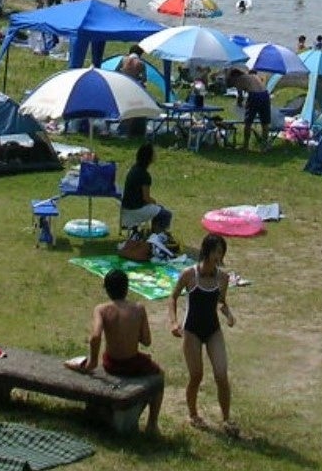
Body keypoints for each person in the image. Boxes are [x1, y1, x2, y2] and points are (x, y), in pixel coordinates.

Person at [69, 268, 163, 434]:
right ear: (127, 288)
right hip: (133, 364)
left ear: (107, 289)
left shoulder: (102, 309)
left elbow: (95, 336)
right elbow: (147, 341)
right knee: (159, 376)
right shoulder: (138, 308)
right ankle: (152, 423)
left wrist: (92, 362)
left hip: (111, 364)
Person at [169, 233, 237, 435]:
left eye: (221, 253)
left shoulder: (223, 278)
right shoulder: (189, 274)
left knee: (221, 375)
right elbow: (172, 298)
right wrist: (174, 322)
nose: (219, 256)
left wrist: (229, 315)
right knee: (196, 375)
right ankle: (193, 414)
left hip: (213, 329)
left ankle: (226, 419)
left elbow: (221, 302)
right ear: (206, 251)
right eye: (216, 252)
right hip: (192, 331)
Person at [121, 143, 171, 233]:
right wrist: (154, 202)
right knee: (166, 214)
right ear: (149, 157)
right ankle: (158, 236)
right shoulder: (144, 175)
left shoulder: (134, 168)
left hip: (128, 207)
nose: (156, 155)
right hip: (136, 209)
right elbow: (146, 198)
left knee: (159, 209)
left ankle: (154, 233)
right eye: (154, 153)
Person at [226, 67, 272, 150]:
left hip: (254, 96)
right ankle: (264, 145)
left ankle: (245, 145)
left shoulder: (239, 79)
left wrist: (239, 104)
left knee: (248, 122)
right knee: (265, 123)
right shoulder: (253, 76)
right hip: (265, 95)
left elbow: (240, 97)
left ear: (234, 76)